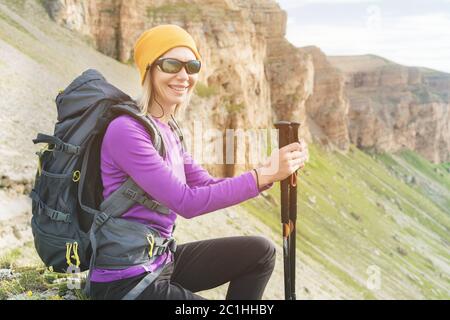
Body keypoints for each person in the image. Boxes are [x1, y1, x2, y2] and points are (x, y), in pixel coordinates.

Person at [89, 24, 309, 300]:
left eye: (191, 66)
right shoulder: (126, 131)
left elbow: (206, 184)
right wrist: (263, 174)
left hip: (159, 261)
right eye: (171, 65)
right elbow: (186, 202)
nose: (183, 76)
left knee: (260, 252)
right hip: (124, 280)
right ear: (149, 69)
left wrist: (272, 171)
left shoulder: (168, 129)